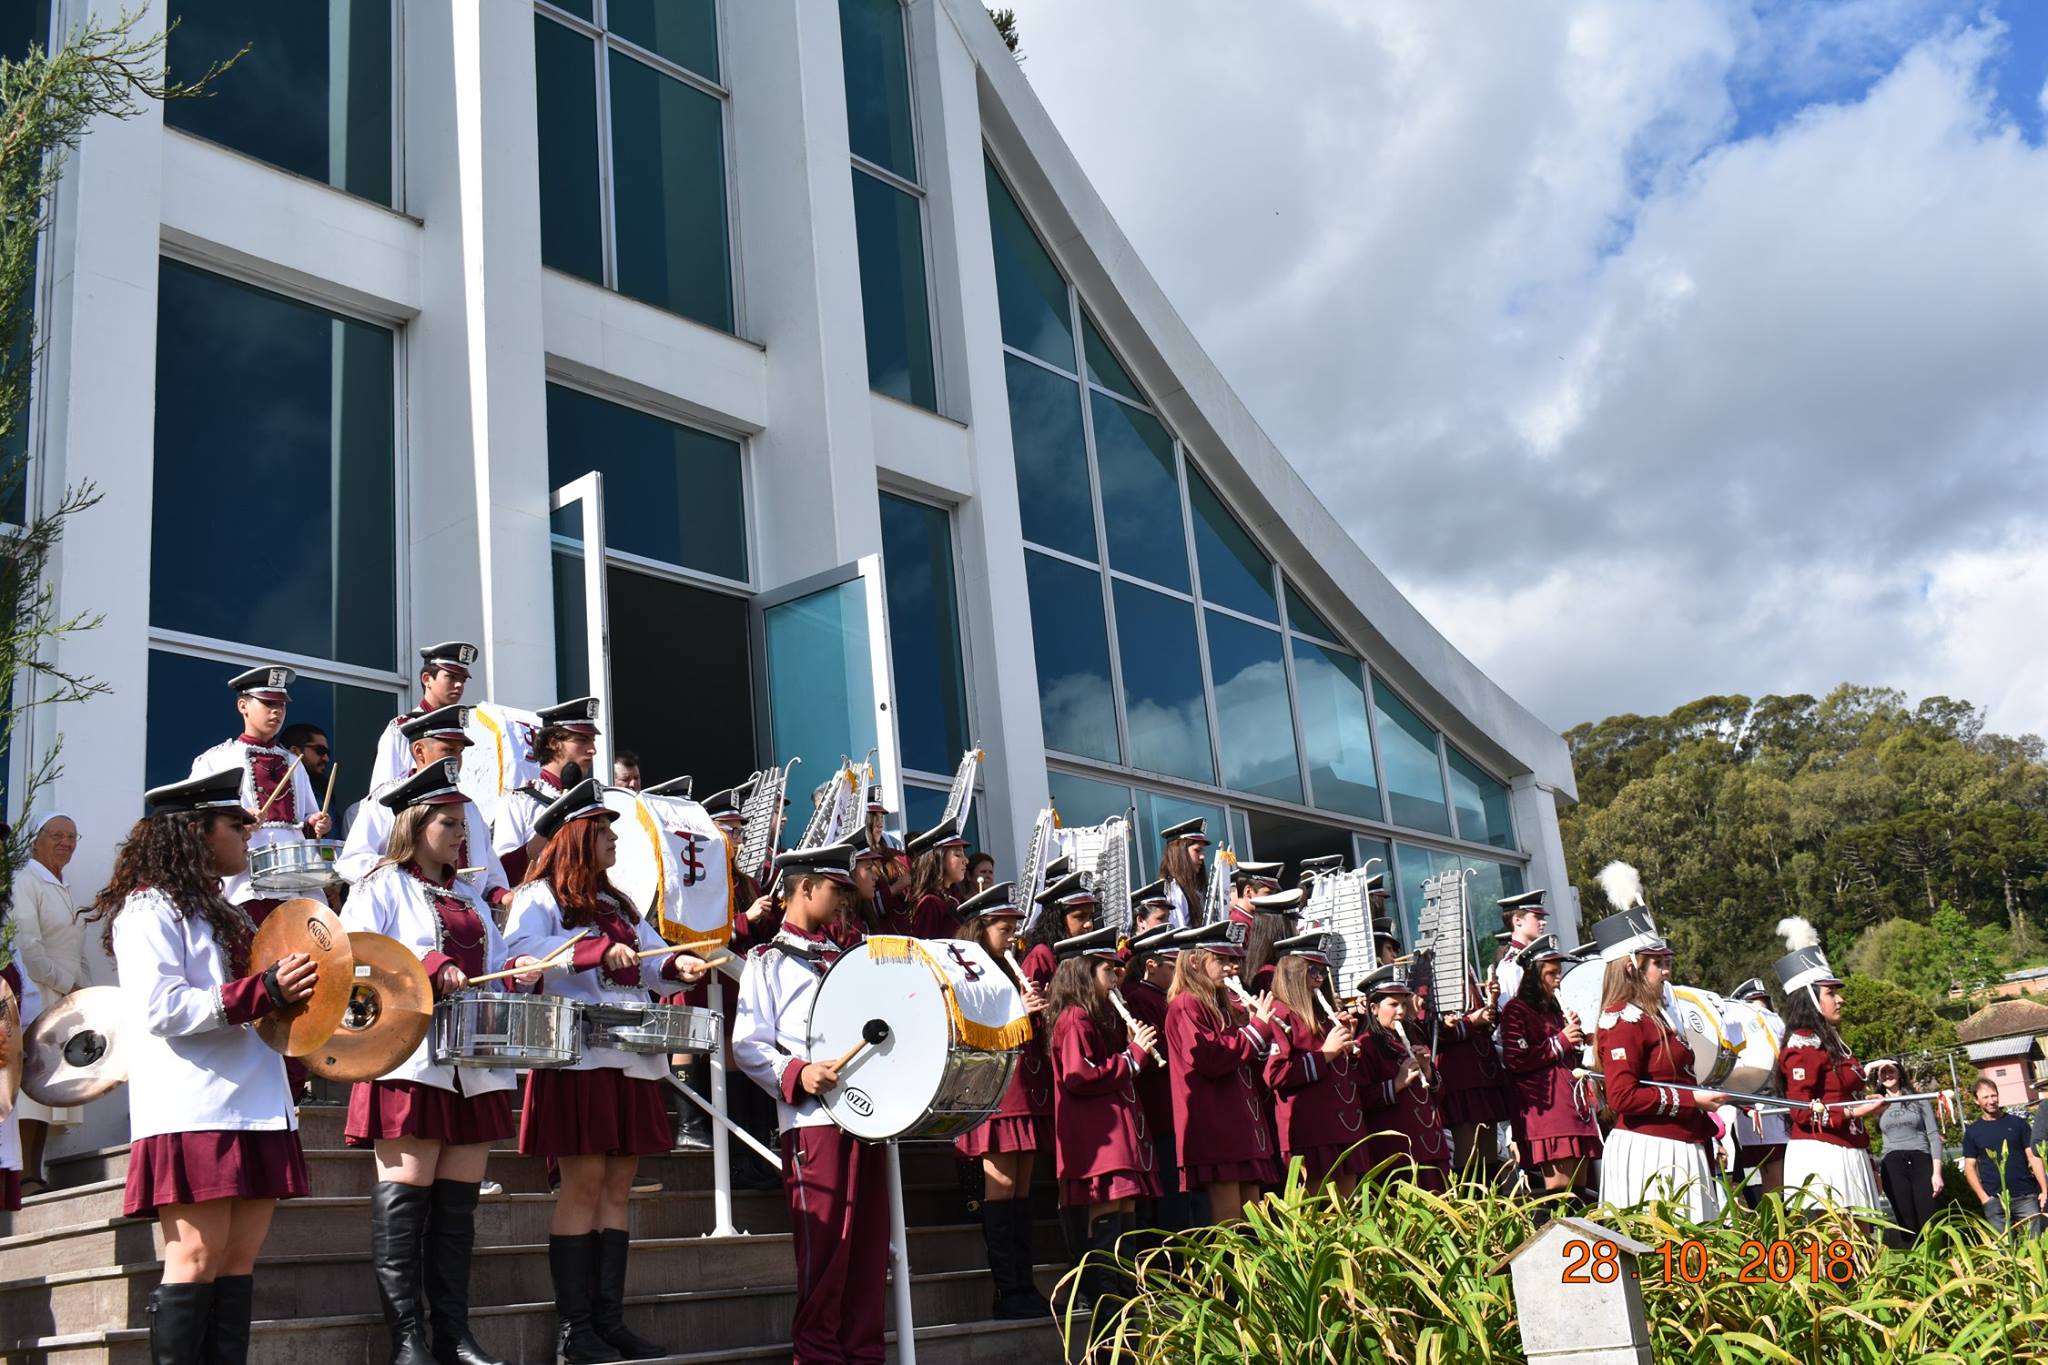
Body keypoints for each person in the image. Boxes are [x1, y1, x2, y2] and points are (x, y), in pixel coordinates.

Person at [83, 769, 318, 1365]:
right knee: (193, 1260)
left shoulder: (227, 910)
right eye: (235, 824)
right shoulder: (147, 909)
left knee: (236, 1268)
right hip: (195, 1106)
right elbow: (161, 1010)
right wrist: (261, 991)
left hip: (258, 1103)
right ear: (195, 832)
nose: (249, 833)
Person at [339, 761, 542, 1365]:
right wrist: (427, 964)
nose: (462, 834)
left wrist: (518, 978)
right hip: (410, 1062)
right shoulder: (378, 885)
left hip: (473, 1065)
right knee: (406, 1204)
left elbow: (497, 967)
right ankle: (408, 1341)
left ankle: (453, 1333)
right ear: (415, 824)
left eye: (464, 823)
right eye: (448, 822)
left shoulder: (472, 898)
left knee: (457, 1212)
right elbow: (353, 959)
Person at [503, 778, 708, 1362]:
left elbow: (651, 958)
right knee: (584, 1185)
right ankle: (575, 1331)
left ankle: (609, 1321)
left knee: (618, 1190)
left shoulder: (618, 903)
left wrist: (678, 964)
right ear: (578, 837)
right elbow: (516, 959)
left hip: (631, 1056)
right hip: (577, 1055)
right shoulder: (539, 895)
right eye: (604, 831)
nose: (615, 839)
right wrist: (590, 951)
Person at [732, 841, 892, 1365]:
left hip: (868, 1120)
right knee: (825, 1256)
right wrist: (800, 1073)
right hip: (812, 1123)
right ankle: (820, 1357)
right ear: (805, 887)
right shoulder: (767, 959)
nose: (844, 900)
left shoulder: (851, 957)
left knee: (868, 1253)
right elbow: (748, 1044)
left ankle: (863, 1355)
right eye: (834, 889)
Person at [1046, 925, 1161, 1317]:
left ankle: (1125, 1309)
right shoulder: (1075, 1018)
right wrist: (1132, 1056)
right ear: (1084, 971)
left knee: (1126, 1221)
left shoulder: (1093, 1017)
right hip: (1099, 1143)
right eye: (1108, 970)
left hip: (1114, 1139)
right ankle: (1108, 1319)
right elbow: (1080, 1075)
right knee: (1108, 1224)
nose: (1116, 978)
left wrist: (1130, 1047)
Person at [951, 881, 1052, 1319]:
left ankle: (1024, 1284)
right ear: (981, 927)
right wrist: (1018, 1011)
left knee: (1024, 1191)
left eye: (1014, 927)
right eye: (1004, 928)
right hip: (994, 1093)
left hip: (1024, 1090)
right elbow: (969, 1026)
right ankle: (1007, 1290)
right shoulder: (969, 970)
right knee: (1003, 1189)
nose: (1013, 937)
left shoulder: (1011, 970)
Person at [1592, 907, 1725, 1220]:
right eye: (1657, 963)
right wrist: (1692, 1099)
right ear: (1631, 967)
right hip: (1651, 1151)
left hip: (1681, 1143)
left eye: (1666, 962)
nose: (1666, 971)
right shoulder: (1622, 1020)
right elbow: (1622, 1096)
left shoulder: (1658, 1016)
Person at [337, 707, 513, 916]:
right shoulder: (388, 798)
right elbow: (351, 862)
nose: (456, 759)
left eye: (460, 751)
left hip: (466, 919)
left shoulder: (470, 807)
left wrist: (504, 895)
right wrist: (400, 868)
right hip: (406, 915)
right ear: (419, 751)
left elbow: (489, 872)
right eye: (448, 750)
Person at [188, 665, 330, 924]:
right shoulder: (216, 760)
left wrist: (316, 822)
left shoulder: (294, 762)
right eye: (267, 703)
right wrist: (239, 818)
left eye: (281, 705)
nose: (276, 711)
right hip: (244, 879)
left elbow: (307, 818)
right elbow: (197, 820)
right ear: (243, 705)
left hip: (295, 878)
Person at [1163, 921, 1278, 1224]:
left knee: (1254, 1224)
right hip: (1217, 1128)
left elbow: (1242, 1060)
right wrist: (1255, 1031)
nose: (1231, 968)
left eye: (1232, 960)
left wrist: (1258, 1033)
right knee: (1229, 1225)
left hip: (1239, 1127)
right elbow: (1212, 1059)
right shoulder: (1186, 1004)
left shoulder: (1221, 1004)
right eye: (1221, 960)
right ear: (1194, 961)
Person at [1774, 930, 1884, 1216]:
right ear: (1811, 999)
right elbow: (1800, 1111)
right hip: (1823, 1154)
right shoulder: (1801, 1045)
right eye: (1831, 993)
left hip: (1850, 1149)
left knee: (1862, 1243)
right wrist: (1852, 1113)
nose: (1840, 999)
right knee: (1837, 1246)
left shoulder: (1833, 1041)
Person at [9, 811, 87, 1194]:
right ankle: (23, 1175)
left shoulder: (64, 884)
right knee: (31, 1086)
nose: (65, 843)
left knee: (48, 1087)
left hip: (64, 997)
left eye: (72, 837)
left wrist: (86, 991)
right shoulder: (26, 879)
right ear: (36, 839)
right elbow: (28, 944)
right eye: (56, 835)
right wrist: (64, 982)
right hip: (37, 992)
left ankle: (33, 1173)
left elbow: (74, 947)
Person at [1262, 932, 1365, 1195]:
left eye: (1323, 972)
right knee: (1314, 1214)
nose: (1319, 980)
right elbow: (1275, 1075)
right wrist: (1326, 1054)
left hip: (1340, 1127)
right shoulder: (1280, 1013)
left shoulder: (1323, 1014)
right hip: (1309, 1132)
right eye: (1313, 971)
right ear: (1293, 972)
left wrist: (1347, 1044)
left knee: (1348, 1210)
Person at [1499, 935, 1600, 1204]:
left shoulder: (1556, 1011)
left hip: (1572, 1107)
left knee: (1580, 1194)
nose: (1558, 979)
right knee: (1559, 1195)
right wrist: (1562, 1040)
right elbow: (1516, 1059)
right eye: (1551, 973)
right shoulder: (1516, 1009)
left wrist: (1580, 1041)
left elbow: (1566, 1057)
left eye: (1559, 972)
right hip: (1548, 1114)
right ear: (1534, 975)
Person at [1121, 923, 1200, 1228]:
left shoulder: (1163, 997)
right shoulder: (1141, 997)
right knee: (1170, 1196)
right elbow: (1155, 1055)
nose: (1178, 971)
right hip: (1159, 1110)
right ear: (1151, 966)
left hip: (1173, 1108)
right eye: (1172, 965)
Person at [1352, 961, 1450, 1190]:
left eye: (1404, 1004)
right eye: (1393, 1004)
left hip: (1430, 1146)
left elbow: (1439, 1095)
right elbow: (1361, 1099)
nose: (1401, 1011)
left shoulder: (1412, 1035)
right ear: (1373, 1008)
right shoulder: (1365, 1045)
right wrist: (1396, 1083)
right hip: (1396, 1152)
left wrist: (1427, 1070)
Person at [489, 697, 600, 886]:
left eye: (592, 741)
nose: (592, 750)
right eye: (582, 740)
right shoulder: (519, 801)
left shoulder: (595, 800)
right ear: (554, 743)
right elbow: (502, 874)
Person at [370, 643, 479, 791]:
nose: (459, 684)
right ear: (427, 679)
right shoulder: (402, 729)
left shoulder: (465, 729)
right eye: (451, 677)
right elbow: (382, 792)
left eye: (463, 680)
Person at [1869, 1058, 1942, 1246]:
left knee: (1928, 1217)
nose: (1887, 1075)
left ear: (1900, 1073)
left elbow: (1933, 1136)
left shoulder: (1918, 1100)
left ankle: (1936, 1260)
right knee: (1905, 1219)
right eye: (1883, 1073)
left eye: (1891, 1071)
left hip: (1920, 1158)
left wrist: (1937, 1173)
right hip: (1893, 1162)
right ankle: (1914, 1263)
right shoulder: (1876, 1104)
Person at [1961, 1078, 2046, 1237]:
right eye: (1985, 1097)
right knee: (2005, 1251)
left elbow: (2033, 1157)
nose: (1991, 1101)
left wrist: (2044, 1189)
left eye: (1994, 1096)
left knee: (2037, 1243)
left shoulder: (2018, 1124)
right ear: (1976, 1100)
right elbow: (1970, 1168)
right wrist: (1984, 1198)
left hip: (2025, 1195)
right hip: (1994, 1199)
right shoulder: (1973, 1132)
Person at [1728, 977, 1789, 1194]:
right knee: (1773, 1179)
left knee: (1780, 1177)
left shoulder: (1776, 1023)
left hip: (1777, 1106)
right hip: (1757, 1108)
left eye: (1764, 1004)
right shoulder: (1739, 1026)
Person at [1018, 864, 1094, 991]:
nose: (1089, 924)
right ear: (1058, 919)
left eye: (1090, 917)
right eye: (1080, 917)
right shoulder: (1041, 955)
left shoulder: (1088, 955)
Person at [904, 816, 971, 939]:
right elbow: (924, 951)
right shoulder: (930, 903)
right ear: (938, 859)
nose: (966, 860)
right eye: (957, 854)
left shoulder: (952, 900)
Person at [1490, 889, 1550, 1009]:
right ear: (1517, 921)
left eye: (1543, 917)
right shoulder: (1511, 964)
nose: (1544, 922)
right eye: (1537, 917)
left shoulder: (1536, 957)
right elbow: (1507, 1011)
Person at [1156, 818, 1209, 929]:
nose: (1202, 856)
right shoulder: (1174, 890)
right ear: (1180, 852)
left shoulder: (1192, 888)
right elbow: (1179, 935)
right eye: (1197, 850)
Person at [278, 724, 332, 794]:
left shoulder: (324, 789)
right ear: (294, 751)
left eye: (327, 753)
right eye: (320, 750)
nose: (326, 759)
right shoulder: (275, 785)